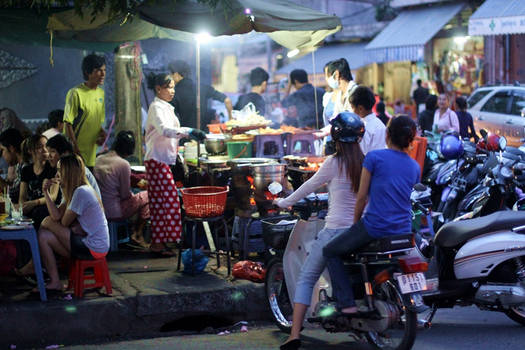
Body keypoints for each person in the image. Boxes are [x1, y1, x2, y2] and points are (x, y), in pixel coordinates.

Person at [275, 112, 364, 350]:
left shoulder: (333, 163)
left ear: (335, 138)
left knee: (306, 277)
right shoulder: (367, 161)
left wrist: (284, 202)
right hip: (359, 232)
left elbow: (308, 186)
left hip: (334, 232)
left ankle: (294, 335)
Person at [323, 116, 420, 315]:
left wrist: (355, 225)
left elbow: (361, 198)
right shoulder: (414, 167)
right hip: (403, 229)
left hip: (376, 227)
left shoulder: (374, 158)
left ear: (387, 135)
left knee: (330, 251)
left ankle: (346, 303)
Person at [144, 73, 206, 256]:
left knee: (163, 201)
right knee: (167, 200)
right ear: (158, 89)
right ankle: (159, 244)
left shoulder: (166, 107)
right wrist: (188, 131)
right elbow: (165, 130)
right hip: (156, 159)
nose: (172, 91)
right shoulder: (156, 107)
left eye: (173, 87)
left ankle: (160, 244)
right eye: (168, 87)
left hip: (164, 158)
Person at [38, 154, 109, 293]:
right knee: (43, 236)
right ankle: (55, 281)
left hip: (94, 247)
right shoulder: (74, 191)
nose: (57, 174)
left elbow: (63, 222)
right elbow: (56, 215)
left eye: (60, 170)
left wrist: (54, 223)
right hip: (86, 242)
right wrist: (46, 192)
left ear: (68, 173)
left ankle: (36, 265)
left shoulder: (81, 192)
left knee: (46, 222)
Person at [94, 131, 150, 248]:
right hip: (115, 211)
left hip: (98, 209)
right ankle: (137, 233)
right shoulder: (123, 164)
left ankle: (133, 232)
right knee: (149, 196)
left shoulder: (98, 159)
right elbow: (125, 195)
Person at [64, 54, 107, 171]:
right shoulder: (75, 93)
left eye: (104, 70)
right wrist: (75, 150)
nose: (103, 74)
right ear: (88, 72)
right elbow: (68, 124)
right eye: (98, 70)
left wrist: (102, 134)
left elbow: (96, 121)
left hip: (92, 156)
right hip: (77, 156)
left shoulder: (100, 93)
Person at [168, 60, 233, 130]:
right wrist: (231, 121)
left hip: (186, 136)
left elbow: (170, 119)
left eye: (170, 74)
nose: (169, 77)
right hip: (204, 135)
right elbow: (227, 100)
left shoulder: (174, 93)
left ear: (176, 74)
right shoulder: (202, 87)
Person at [316, 58, 358, 155]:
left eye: (328, 76)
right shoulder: (339, 94)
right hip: (341, 144)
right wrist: (323, 132)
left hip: (354, 144)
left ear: (337, 74)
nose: (327, 80)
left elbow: (353, 121)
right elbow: (336, 120)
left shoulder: (356, 92)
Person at [19, 134, 60, 230]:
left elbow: (53, 196)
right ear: (30, 151)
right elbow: (22, 196)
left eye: (46, 146)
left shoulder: (53, 168)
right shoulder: (26, 170)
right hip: (31, 206)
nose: (45, 150)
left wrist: (34, 203)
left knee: (38, 212)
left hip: (49, 207)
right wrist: (22, 207)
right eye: (39, 147)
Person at [46, 134, 101, 199]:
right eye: (48, 151)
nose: (48, 156)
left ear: (65, 153)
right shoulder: (63, 171)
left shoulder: (77, 172)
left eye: (52, 151)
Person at [350, 86, 386, 155]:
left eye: (352, 107)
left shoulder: (363, 128)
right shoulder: (380, 124)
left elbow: (360, 154)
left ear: (360, 108)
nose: (352, 111)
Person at [0, 128, 24, 203]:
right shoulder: (18, 166)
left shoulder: (26, 166)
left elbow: (12, 195)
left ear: (11, 148)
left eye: (2, 150)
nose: (2, 155)